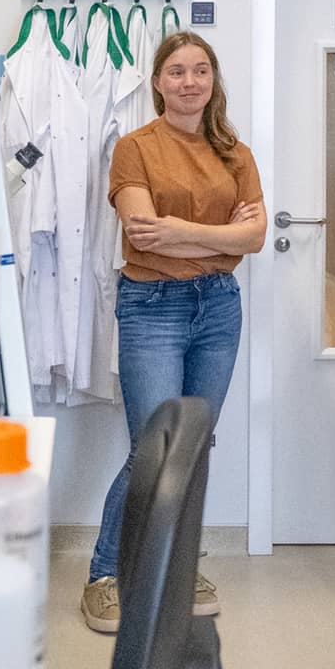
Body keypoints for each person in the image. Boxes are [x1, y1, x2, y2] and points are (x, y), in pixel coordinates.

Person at [81, 32, 265, 636]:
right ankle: (107, 574)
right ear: (158, 81)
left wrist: (183, 232)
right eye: (177, 71)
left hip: (218, 306)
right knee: (153, 446)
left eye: (201, 70)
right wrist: (219, 234)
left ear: (214, 80)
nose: (190, 82)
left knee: (195, 445)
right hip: (152, 305)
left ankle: (178, 568)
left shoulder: (235, 152)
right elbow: (141, 231)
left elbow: (256, 238)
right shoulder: (134, 148)